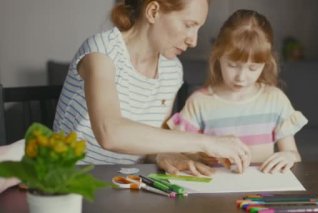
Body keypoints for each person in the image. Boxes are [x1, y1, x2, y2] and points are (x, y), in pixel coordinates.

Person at [53, 0, 250, 175]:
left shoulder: (172, 70)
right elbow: (109, 132)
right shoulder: (101, 51)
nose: (193, 40)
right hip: (71, 180)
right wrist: (206, 142)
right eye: (189, 25)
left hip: (127, 180)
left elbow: (150, 142)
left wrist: (163, 155)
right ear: (153, 11)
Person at [166, 9, 308, 174]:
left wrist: (288, 156)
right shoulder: (199, 102)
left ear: (266, 63)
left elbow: (293, 153)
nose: (241, 77)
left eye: (252, 68)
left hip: (261, 188)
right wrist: (200, 155)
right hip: (215, 189)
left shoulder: (275, 99)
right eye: (232, 65)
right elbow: (175, 149)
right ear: (218, 56)